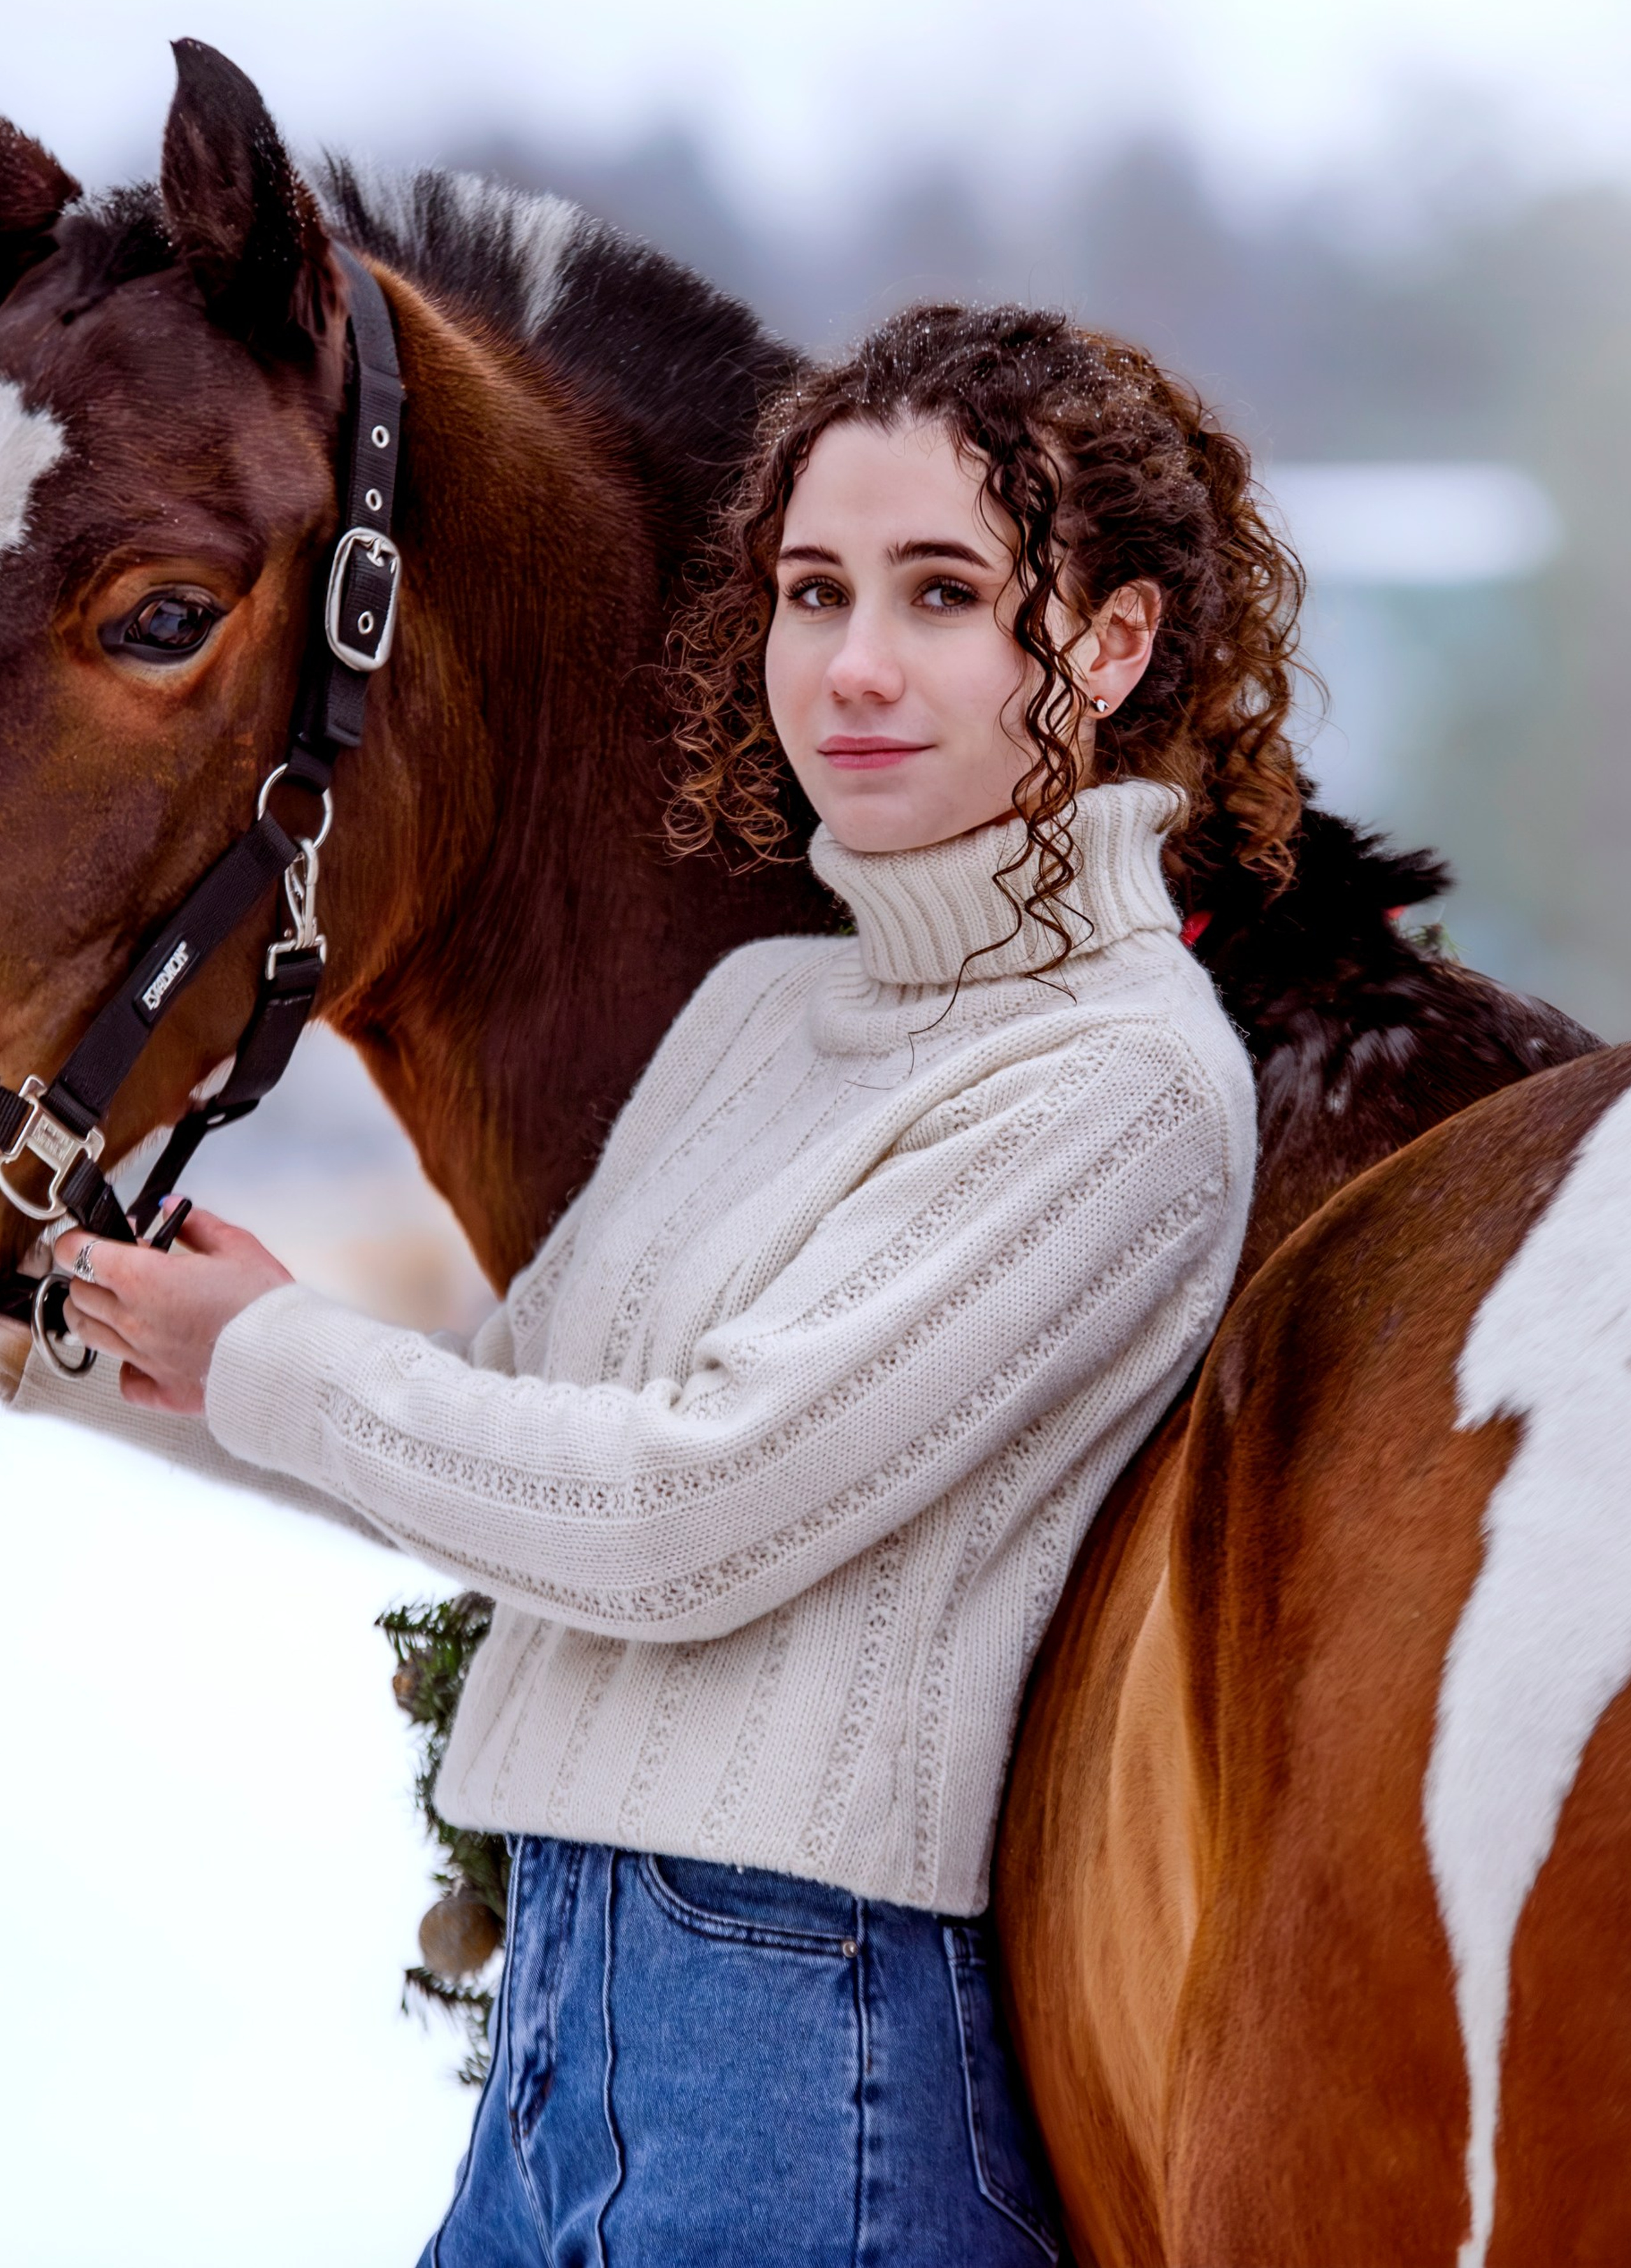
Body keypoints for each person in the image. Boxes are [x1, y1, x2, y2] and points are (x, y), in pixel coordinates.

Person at [33, 301, 1299, 2266]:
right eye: (812, 591)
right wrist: (69, 1338)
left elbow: (675, 1514)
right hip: (573, 2015)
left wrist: (267, 1352)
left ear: (1116, 643)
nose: (853, 666)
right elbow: (509, 1425)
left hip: (812, 2061)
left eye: (945, 594)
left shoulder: (1122, 1084)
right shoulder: (768, 1010)